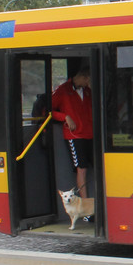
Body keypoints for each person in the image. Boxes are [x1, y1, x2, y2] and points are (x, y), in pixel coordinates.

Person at [50, 64, 93, 197]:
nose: (89, 84)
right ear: (84, 77)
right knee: (82, 169)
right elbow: (49, 110)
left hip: (90, 133)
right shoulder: (62, 91)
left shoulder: (87, 91)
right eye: (88, 80)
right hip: (75, 135)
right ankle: (85, 204)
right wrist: (65, 117)